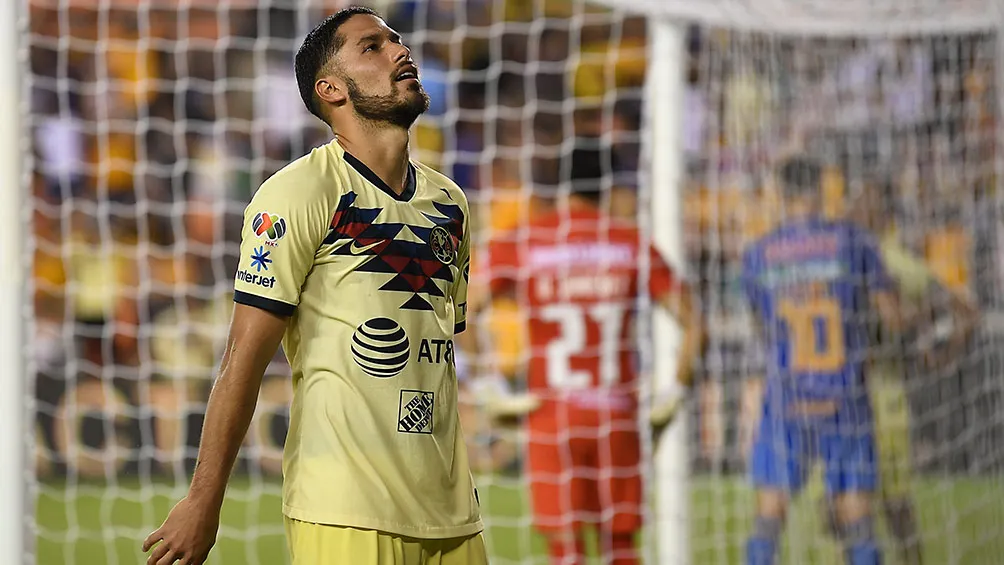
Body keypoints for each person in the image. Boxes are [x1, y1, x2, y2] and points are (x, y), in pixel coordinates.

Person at [142, 7, 487, 565]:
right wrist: (204, 500)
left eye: (396, 40)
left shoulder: (450, 203)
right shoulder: (299, 193)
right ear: (331, 89)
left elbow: (438, 356)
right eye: (371, 47)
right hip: (344, 510)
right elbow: (242, 358)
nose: (400, 51)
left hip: (453, 513)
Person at [468, 143, 700, 565]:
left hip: (551, 417)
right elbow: (694, 323)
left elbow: (461, 312)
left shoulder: (526, 241)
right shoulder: (630, 242)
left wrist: (487, 384)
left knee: (566, 551)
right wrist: (676, 390)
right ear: (608, 187)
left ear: (559, 185)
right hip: (617, 414)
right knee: (622, 548)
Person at [742, 156, 907, 565]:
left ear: (780, 194)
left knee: (769, 516)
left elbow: (764, 327)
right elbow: (893, 319)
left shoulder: (758, 254)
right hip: (844, 396)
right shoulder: (856, 241)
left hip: (787, 397)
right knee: (856, 520)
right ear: (821, 189)